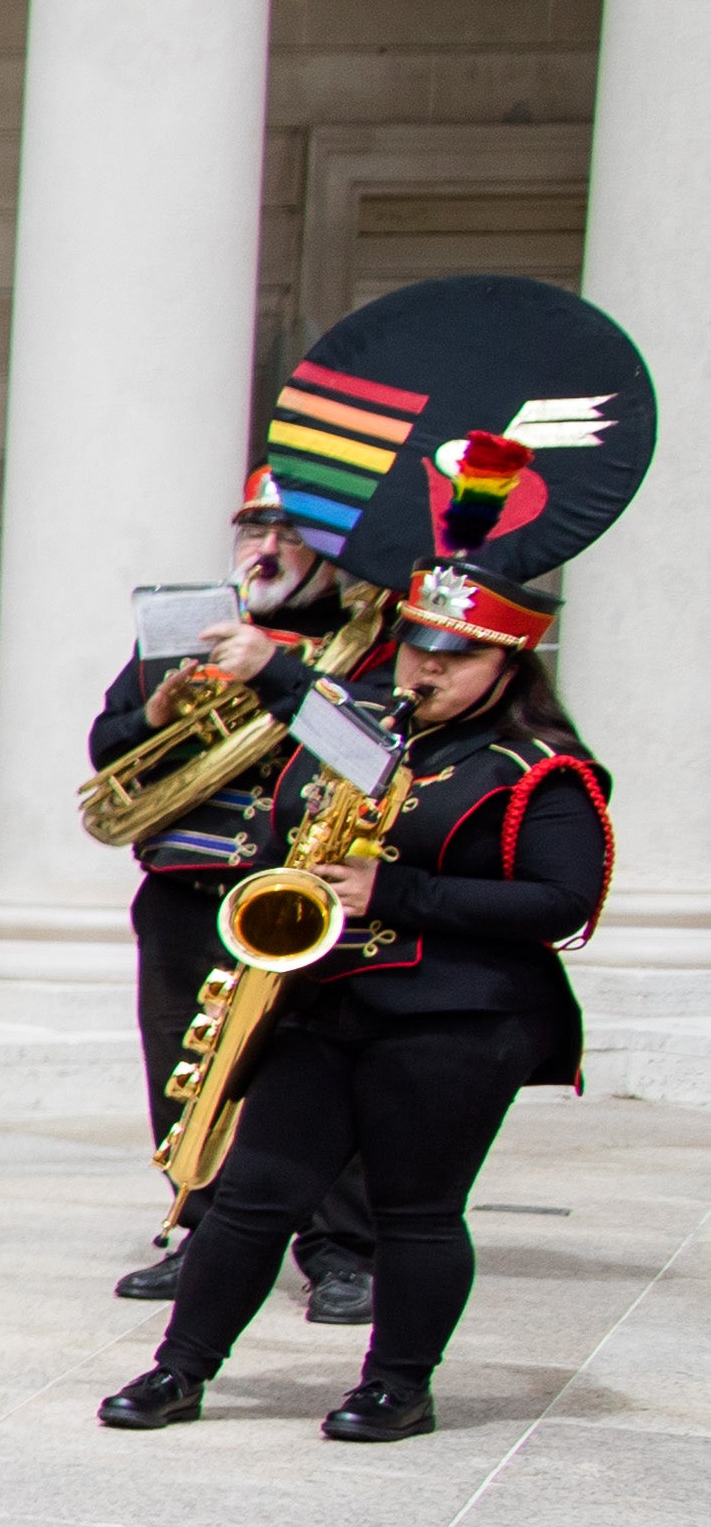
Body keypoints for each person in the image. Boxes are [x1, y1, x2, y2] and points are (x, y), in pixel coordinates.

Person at [107, 439, 597, 1443]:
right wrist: (265, 671)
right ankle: (180, 1371)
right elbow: (312, 717)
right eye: (419, 646)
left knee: (417, 1210)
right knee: (254, 1195)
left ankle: (398, 1385)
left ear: (507, 664)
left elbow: (561, 902)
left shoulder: (538, 767)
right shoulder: (379, 722)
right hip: (329, 995)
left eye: (454, 655)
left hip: (458, 1012)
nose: (427, 666)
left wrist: (397, 889)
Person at [84, 463, 386, 1327]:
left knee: (321, 1072)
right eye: (253, 528)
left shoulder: (369, 642)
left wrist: (275, 674)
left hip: (302, 889)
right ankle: (202, 1229)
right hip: (187, 886)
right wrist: (153, 717)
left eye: (290, 533)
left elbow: (369, 752)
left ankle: (342, 1252)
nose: (266, 547)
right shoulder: (193, 626)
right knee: (187, 1065)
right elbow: (107, 748)